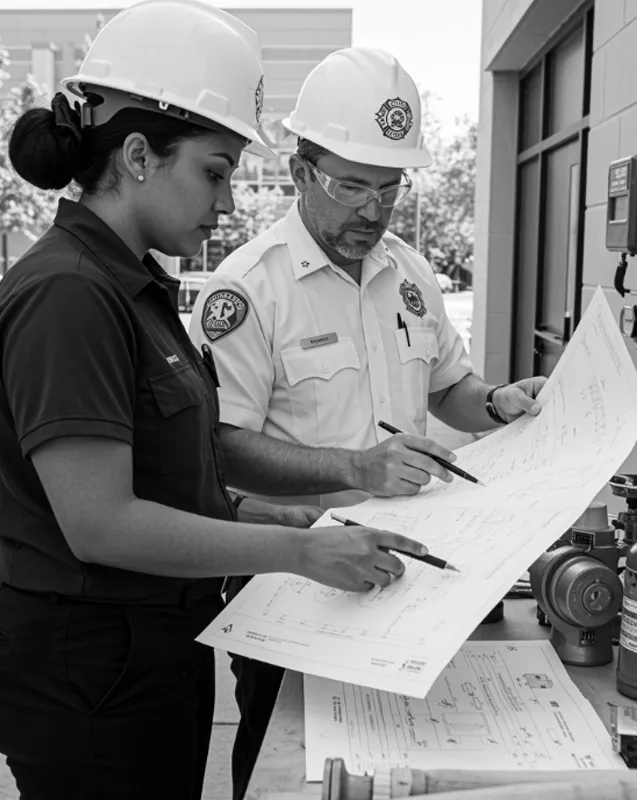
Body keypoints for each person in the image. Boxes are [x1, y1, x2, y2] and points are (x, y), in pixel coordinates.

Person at [0, 7, 427, 799]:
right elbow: (100, 523)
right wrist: (300, 554)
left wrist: (246, 513)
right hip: (91, 675)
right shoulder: (69, 293)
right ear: (136, 156)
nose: (228, 203)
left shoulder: (132, 287)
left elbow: (163, 461)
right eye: (215, 171)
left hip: (150, 651)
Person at [188, 46, 548, 799]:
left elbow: (451, 386)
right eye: (351, 185)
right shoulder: (248, 291)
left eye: (389, 188)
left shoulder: (409, 274)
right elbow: (220, 452)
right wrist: (356, 469)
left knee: (390, 762)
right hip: (293, 584)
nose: (373, 210)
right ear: (299, 173)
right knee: (284, 765)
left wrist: (495, 403)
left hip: (407, 579)